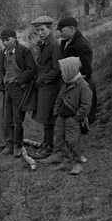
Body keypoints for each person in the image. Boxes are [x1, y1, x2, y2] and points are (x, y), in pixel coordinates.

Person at [41, 16, 95, 165]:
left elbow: (86, 70)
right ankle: (60, 154)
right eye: (58, 30)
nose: (59, 33)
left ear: (72, 29)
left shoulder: (82, 45)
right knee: (61, 125)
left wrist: (69, 75)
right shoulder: (66, 42)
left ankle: (74, 157)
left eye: (62, 30)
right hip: (67, 88)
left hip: (77, 89)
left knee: (75, 126)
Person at [0, 28, 38, 158]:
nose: (5, 42)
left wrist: (19, 81)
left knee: (17, 119)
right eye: (3, 40)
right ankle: (9, 145)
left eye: (7, 40)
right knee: (7, 118)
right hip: (8, 87)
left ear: (14, 38)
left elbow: (33, 69)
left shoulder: (24, 51)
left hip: (19, 89)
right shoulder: (3, 52)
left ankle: (17, 146)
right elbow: (2, 69)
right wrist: (4, 82)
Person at [52, 57, 92, 175]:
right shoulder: (65, 82)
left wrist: (77, 118)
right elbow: (59, 98)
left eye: (64, 71)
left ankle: (77, 164)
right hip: (62, 116)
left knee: (73, 142)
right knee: (61, 138)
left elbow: (86, 105)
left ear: (71, 70)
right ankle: (66, 161)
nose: (62, 74)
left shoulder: (83, 86)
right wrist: (57, 111)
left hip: (73, 119)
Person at [30, 16, 62, 159]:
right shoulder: (44, 44)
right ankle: (46, 143)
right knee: (45, 117)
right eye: (37, 30)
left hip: (50, 87)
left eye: (42, 29)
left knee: (48, 118)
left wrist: (42, 80)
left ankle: (49, 147)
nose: (40, 33)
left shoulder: (54, 45)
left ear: (50, 29)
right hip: (44, 86)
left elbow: (57, 69)